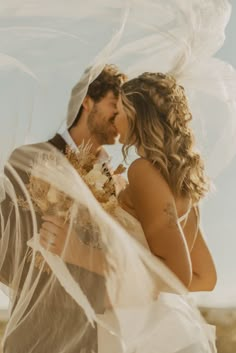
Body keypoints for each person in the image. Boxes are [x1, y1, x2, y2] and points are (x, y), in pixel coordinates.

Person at [41, 72, 217, 353]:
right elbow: (205, 278)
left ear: (138, 115)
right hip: (170, 328)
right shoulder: (182, 184)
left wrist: (77, 252)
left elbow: (176, 275)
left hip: (146, 334)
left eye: (120, 111)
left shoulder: (143, 170)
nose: (116, 119)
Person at [0, 64, 126, 353]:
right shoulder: (29, 159)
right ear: (87, 100)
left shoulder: (118, 181)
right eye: (114, 105)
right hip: (36, 333)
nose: (120, 118)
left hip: (95, 336)